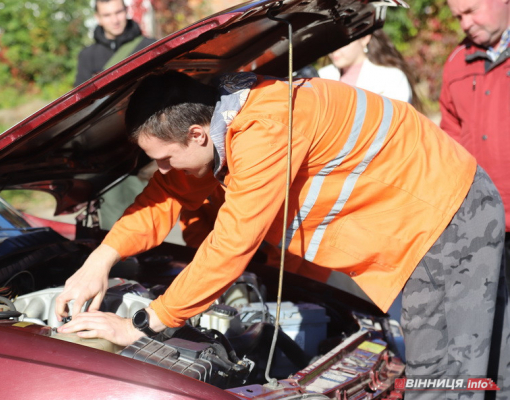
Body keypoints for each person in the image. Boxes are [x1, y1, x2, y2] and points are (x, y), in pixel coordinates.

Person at [55, 71, 509, 396]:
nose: (163, 169)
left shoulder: (263, 128)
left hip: (446, 217)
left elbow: (233, 243)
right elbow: (163, 198)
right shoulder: (219, 126)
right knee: (493, 358)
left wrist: (146, 324)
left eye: (166, 158)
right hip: (414, 224)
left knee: (446, 376)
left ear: (196, 135)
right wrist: (99, 261)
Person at [440, 0, 510, 290]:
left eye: (471, 11)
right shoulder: (457, 62)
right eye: (458, 17)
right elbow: (450, 143)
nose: (465, 24)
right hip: (484, 225)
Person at [318, 29, 423, 112]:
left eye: (341, 40)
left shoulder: (391, 77)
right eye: (330, 40)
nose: (334, 48)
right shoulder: (320, 77)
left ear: (364, 38)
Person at [73, 0, 155, 87]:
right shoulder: (87, 56)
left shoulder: (150, 47)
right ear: (98, 18)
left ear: (126, 10)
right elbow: (83, 97)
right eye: (107, 15)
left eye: (118, 12)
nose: (115, 20)